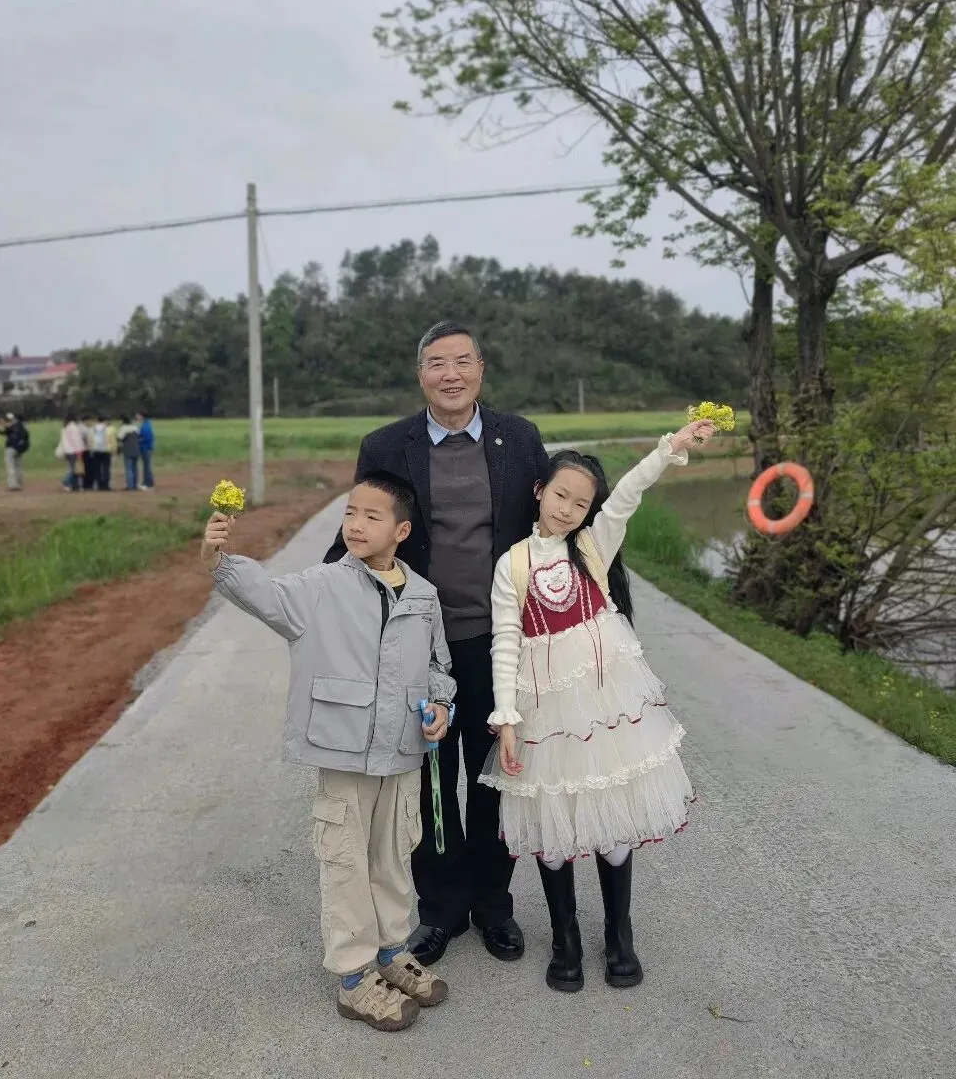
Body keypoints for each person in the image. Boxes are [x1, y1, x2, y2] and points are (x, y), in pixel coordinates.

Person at [325, 321, 551, 968]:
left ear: (481, 369)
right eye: (436, 363)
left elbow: (555, 525)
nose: (450, 374)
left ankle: (494, 905)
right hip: (417, 649)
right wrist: (319, 604)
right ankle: (442, 906)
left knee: (496, 777)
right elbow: (361, 532)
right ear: (420, 373)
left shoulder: (520, 438)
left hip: (499, 644)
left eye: (461, 361)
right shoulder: (386, 446)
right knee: (429, 781)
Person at [201, 473, 456, 1032]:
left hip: (402, 752)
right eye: (350, 513)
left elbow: (439, 665)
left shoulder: (423, 596)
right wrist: (219, 557)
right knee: (345, 862)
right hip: (344, 755)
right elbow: (264, 595)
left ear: (402, 531)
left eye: (371, 516)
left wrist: (441, 706)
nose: (355, 525)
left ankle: (392, 951)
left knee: (393, 856)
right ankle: (354, 976)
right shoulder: (320, 586)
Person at [478, 420, 716, 994]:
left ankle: (619, 935)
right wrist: (506, 719)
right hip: (545, 713)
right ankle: (566, 941)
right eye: (560, 495)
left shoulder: (592, 547)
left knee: (613, 820)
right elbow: (505, 641)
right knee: (553, 820)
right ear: (540, 491)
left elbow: (629, 493)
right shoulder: (512, 564)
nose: (567, 509)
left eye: (580, 503)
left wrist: (669, 449)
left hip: (606, 709)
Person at [1, 413, 29, 491]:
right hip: (19, 449)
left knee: (10, 466)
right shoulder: (24, 427)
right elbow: (7, 431)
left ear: (16, 419)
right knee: (18, 466)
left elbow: (7, 431)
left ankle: (13, 485)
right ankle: (19, 482)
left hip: (11, 448)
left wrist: (3, 424)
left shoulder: (16, 426)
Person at [58, 412, 85, 491]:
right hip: (73, 450)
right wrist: (78, 450)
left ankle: (74, 485)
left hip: (67, 450)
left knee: (73, 467)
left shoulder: (65, 427)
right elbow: (75, 440)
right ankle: (65, 482)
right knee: (73, 469)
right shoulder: (73, 427)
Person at [117, 416, 140, 490]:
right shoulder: (135, 427)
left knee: (128, 469)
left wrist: (118, 450)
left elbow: (119, 438)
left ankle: (130, 486)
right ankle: (135, 485)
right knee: (135, 468)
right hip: (136, 449)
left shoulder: (123, 428)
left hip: (128, 450)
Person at [136, 411, 155, 489]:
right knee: (147, 466)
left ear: (142, 416)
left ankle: (147, 483)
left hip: (145, 448)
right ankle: (149, 482)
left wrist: (137, 440)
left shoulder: (145, 426)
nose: (137, 417)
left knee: (146, 466)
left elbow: (146, 438)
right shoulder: (146, 424)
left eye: (138, 416)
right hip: (146, 448)